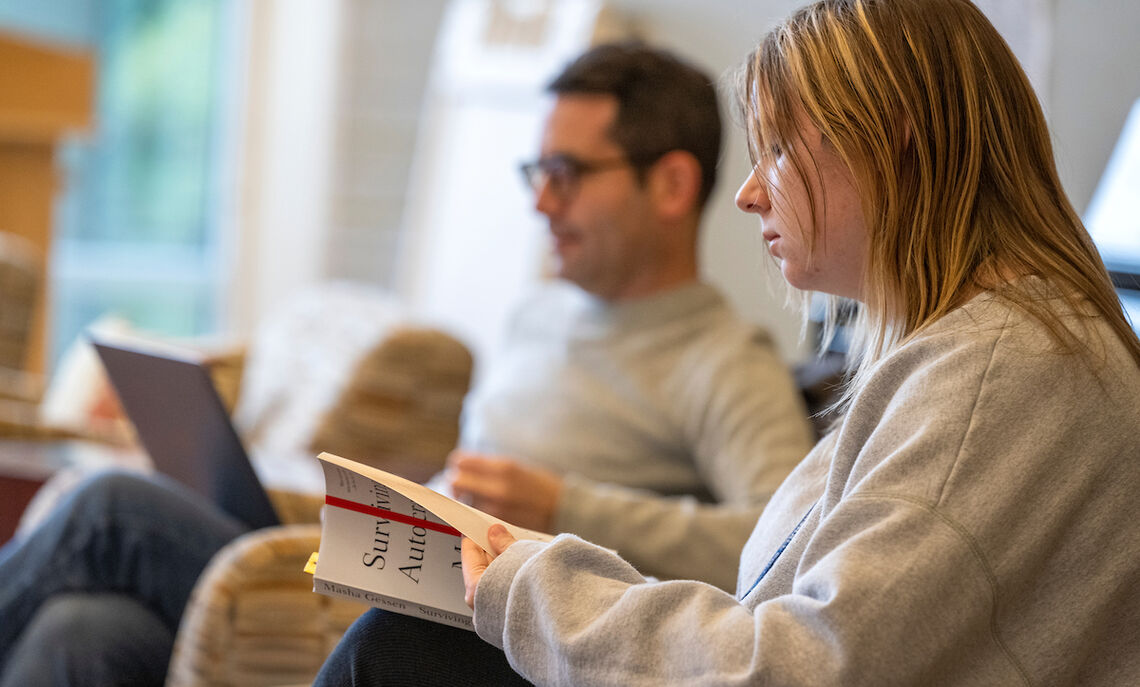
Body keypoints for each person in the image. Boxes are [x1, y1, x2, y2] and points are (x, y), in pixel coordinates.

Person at [314, 0, 1140, 685]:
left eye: (778, 148)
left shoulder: (997, 373)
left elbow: (802, 666)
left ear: (892, 139)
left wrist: (524, 572)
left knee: (402, 649)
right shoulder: (961, 357)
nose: (747, 193)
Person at [0, 42, 814, 687]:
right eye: (538, 173)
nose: (540, 202)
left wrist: (572, 503)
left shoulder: (724, 362)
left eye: (566, 175)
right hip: (394, 562)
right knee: (87, 631)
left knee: (107, 506)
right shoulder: (541, 311)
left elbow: (779, 548)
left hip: (459, 623)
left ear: (670, 185)